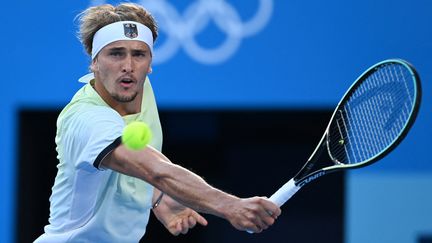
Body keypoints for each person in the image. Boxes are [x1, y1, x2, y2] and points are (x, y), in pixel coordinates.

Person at [35, 3, 280, 242]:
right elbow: (154, 169)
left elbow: (141, 172)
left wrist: (158, 197)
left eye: (138, 54)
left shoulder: (137, 87)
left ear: (149, 63)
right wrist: (229, 205)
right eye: (116, 53)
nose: (128, 67)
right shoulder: (87, 119)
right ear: (94, 62)